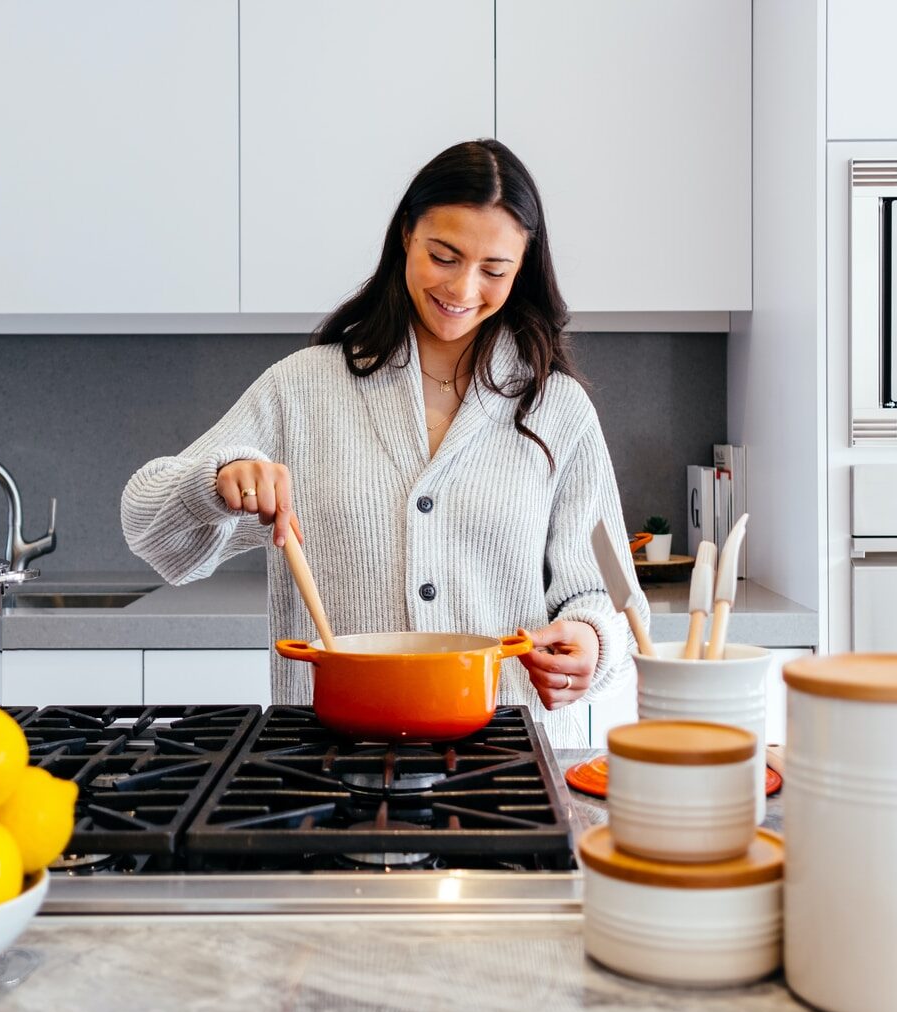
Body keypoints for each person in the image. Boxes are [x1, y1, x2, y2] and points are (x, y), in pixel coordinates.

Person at [121, 139, 646, 745]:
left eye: (494, 270)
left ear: (523, 268)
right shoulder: (305, 388)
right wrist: (216, 481)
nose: (464, 288)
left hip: (502, 766)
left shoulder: (556, 408)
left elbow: (606, 594)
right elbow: (147, 526)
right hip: (324, 765)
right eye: (444, 256)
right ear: (405, 235)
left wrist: (589, 639)